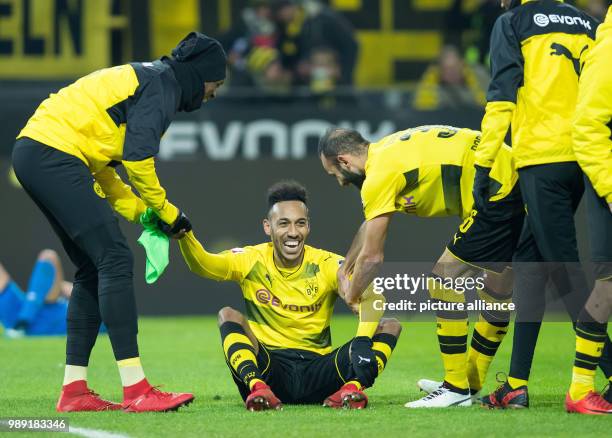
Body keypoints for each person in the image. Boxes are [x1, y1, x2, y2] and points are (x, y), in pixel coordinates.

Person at [12, 32, 226, 413]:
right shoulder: (163, 84)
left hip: (39, 151)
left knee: (93, 269)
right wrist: (167, 211)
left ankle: (74, 390)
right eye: (216, 83)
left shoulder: (148, 80)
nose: (213, 93)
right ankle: (137, 389)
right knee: (115, 259)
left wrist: (144, 214)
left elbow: (108, 177)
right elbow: (139, 162)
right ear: (202, 73)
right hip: (53, 154)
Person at [318, 125, 524, 408]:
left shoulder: (378, 175)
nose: (340, 182)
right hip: (512, 175)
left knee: (443, 280)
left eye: (335, 174)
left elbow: (373, 259)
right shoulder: (386, 152)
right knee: (498, 289)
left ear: (344, 160)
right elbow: (371, 224)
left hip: (497, 189)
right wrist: (346, 267)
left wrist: (352, 294)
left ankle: (455, 388)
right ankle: (469, 385)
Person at [472, 0, 612, 409]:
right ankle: (515, 384)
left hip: (542, 158)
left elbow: (501, 95)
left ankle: (599, 372)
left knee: (563, 270)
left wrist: (486, 161)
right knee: (529, 262)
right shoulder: (589, 21)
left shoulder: (512, 21)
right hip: (586, 157)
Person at [178, 181, 401, 410]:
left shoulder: (326, 263)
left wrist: (362, 332)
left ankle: (352, 390)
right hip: (269, 371)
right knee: (228, 315)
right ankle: (257, 388)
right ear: (268, 227)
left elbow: (373, 296)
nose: (293, 232)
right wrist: (185, 237)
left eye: (300, 223)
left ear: (308, 227)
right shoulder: (250, 259)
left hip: (321, 372)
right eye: (283, 224)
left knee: (390, 326)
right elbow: (203, 265)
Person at [566, 2, 612, 415]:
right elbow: (587, 128)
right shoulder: (608, 48)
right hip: (608, 182)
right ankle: (581, 388)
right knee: (610, 283)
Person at [0, 250, 71, 338]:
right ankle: (22, 322)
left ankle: (22, 322)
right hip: (25, 311)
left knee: (49, 256)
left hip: (51, 316)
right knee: (48, 256)